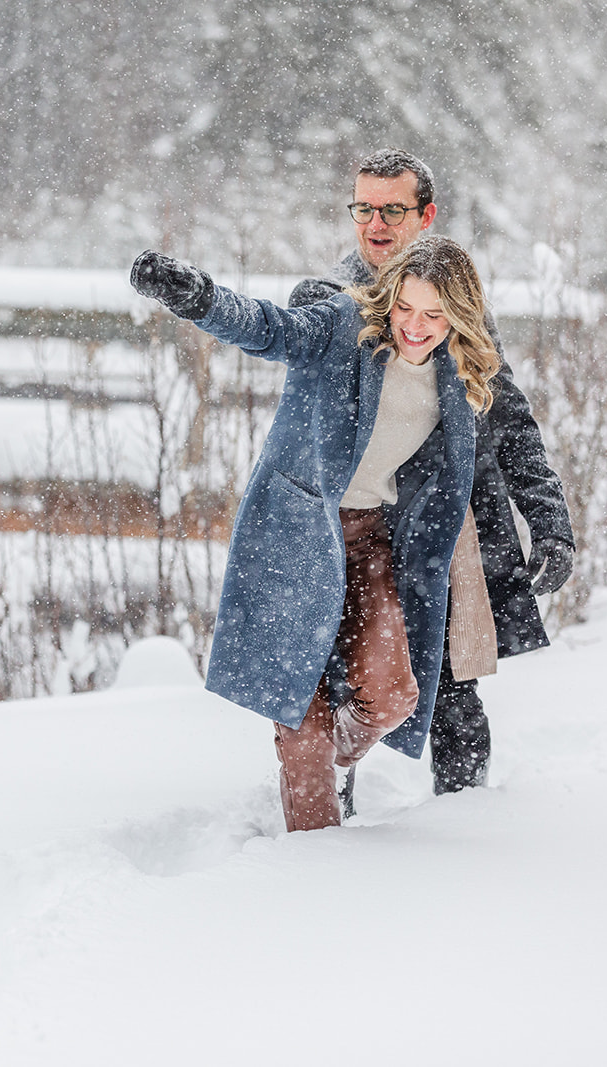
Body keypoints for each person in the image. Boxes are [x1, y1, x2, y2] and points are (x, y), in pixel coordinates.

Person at [130, 235, 499, 831]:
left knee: (394, 694)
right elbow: (268, 327)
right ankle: (311, 857)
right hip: (300, 536)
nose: (415, 326)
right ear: (389, 297)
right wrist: (197, 298)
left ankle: (329, 752)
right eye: (405, 307)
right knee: (302, 720)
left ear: (458, 315)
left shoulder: (458, 374)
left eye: (434, 314)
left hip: (370, 539)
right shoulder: (343, 327)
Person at [293, 148, 574, 800]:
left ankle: (465, 831)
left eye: (393, 208)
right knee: (345, 686)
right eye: (364, 208)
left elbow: (509, 419)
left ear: (426, 216)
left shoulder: (455, 302)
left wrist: (550, 519)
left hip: (444, 538)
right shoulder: (331, 303)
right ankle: (320, 849)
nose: (376, 223)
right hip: (358, 530)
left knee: (453, 696)